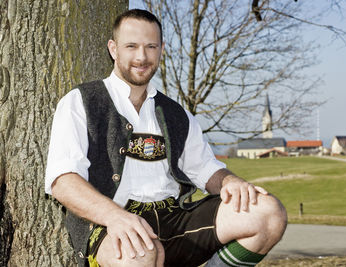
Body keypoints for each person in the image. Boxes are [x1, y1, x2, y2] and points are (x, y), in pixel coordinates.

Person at [45, 9, 287, 267]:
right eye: (131, 46)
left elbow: (205, 168)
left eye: (151, 46)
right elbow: (63, 180)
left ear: (161, 49)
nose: (142, 56)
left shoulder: (176, 114)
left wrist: (230, 182)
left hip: (174, 217)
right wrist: (116, 217)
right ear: (113, 49)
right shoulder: (81, 102)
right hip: (111, 222)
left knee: (269, 213)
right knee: (140, 256)